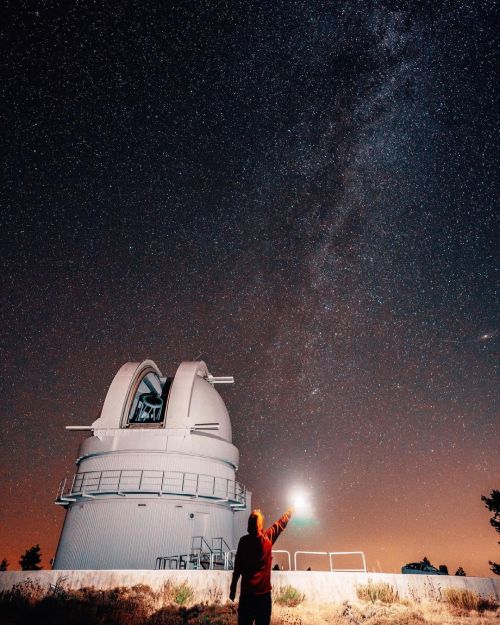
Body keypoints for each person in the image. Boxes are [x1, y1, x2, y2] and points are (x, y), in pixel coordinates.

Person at [230, 506, 294, 625]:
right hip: (263, 598)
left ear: (249, 525)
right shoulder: (267, 539)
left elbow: (237, 566)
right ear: (260, 525)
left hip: (247, 596)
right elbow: (280, 524)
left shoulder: (243, 542)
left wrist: (233, 588)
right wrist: (290, 512)